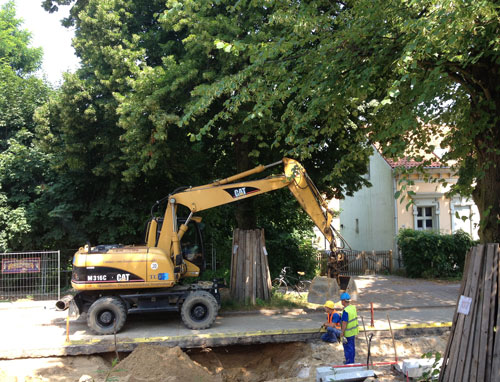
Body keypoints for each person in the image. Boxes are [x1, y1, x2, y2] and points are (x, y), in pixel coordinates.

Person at [340, 292, 359, 364]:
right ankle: (352, 361)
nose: (341, 302)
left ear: (344, 301)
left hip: (347, 333)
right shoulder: (353, 307)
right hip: (353, 331)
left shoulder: (346, 311)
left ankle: (349, 362)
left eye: (341, 301)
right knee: (352, 347)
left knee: (347, 348)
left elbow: (344, 323)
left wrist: (342, 332)